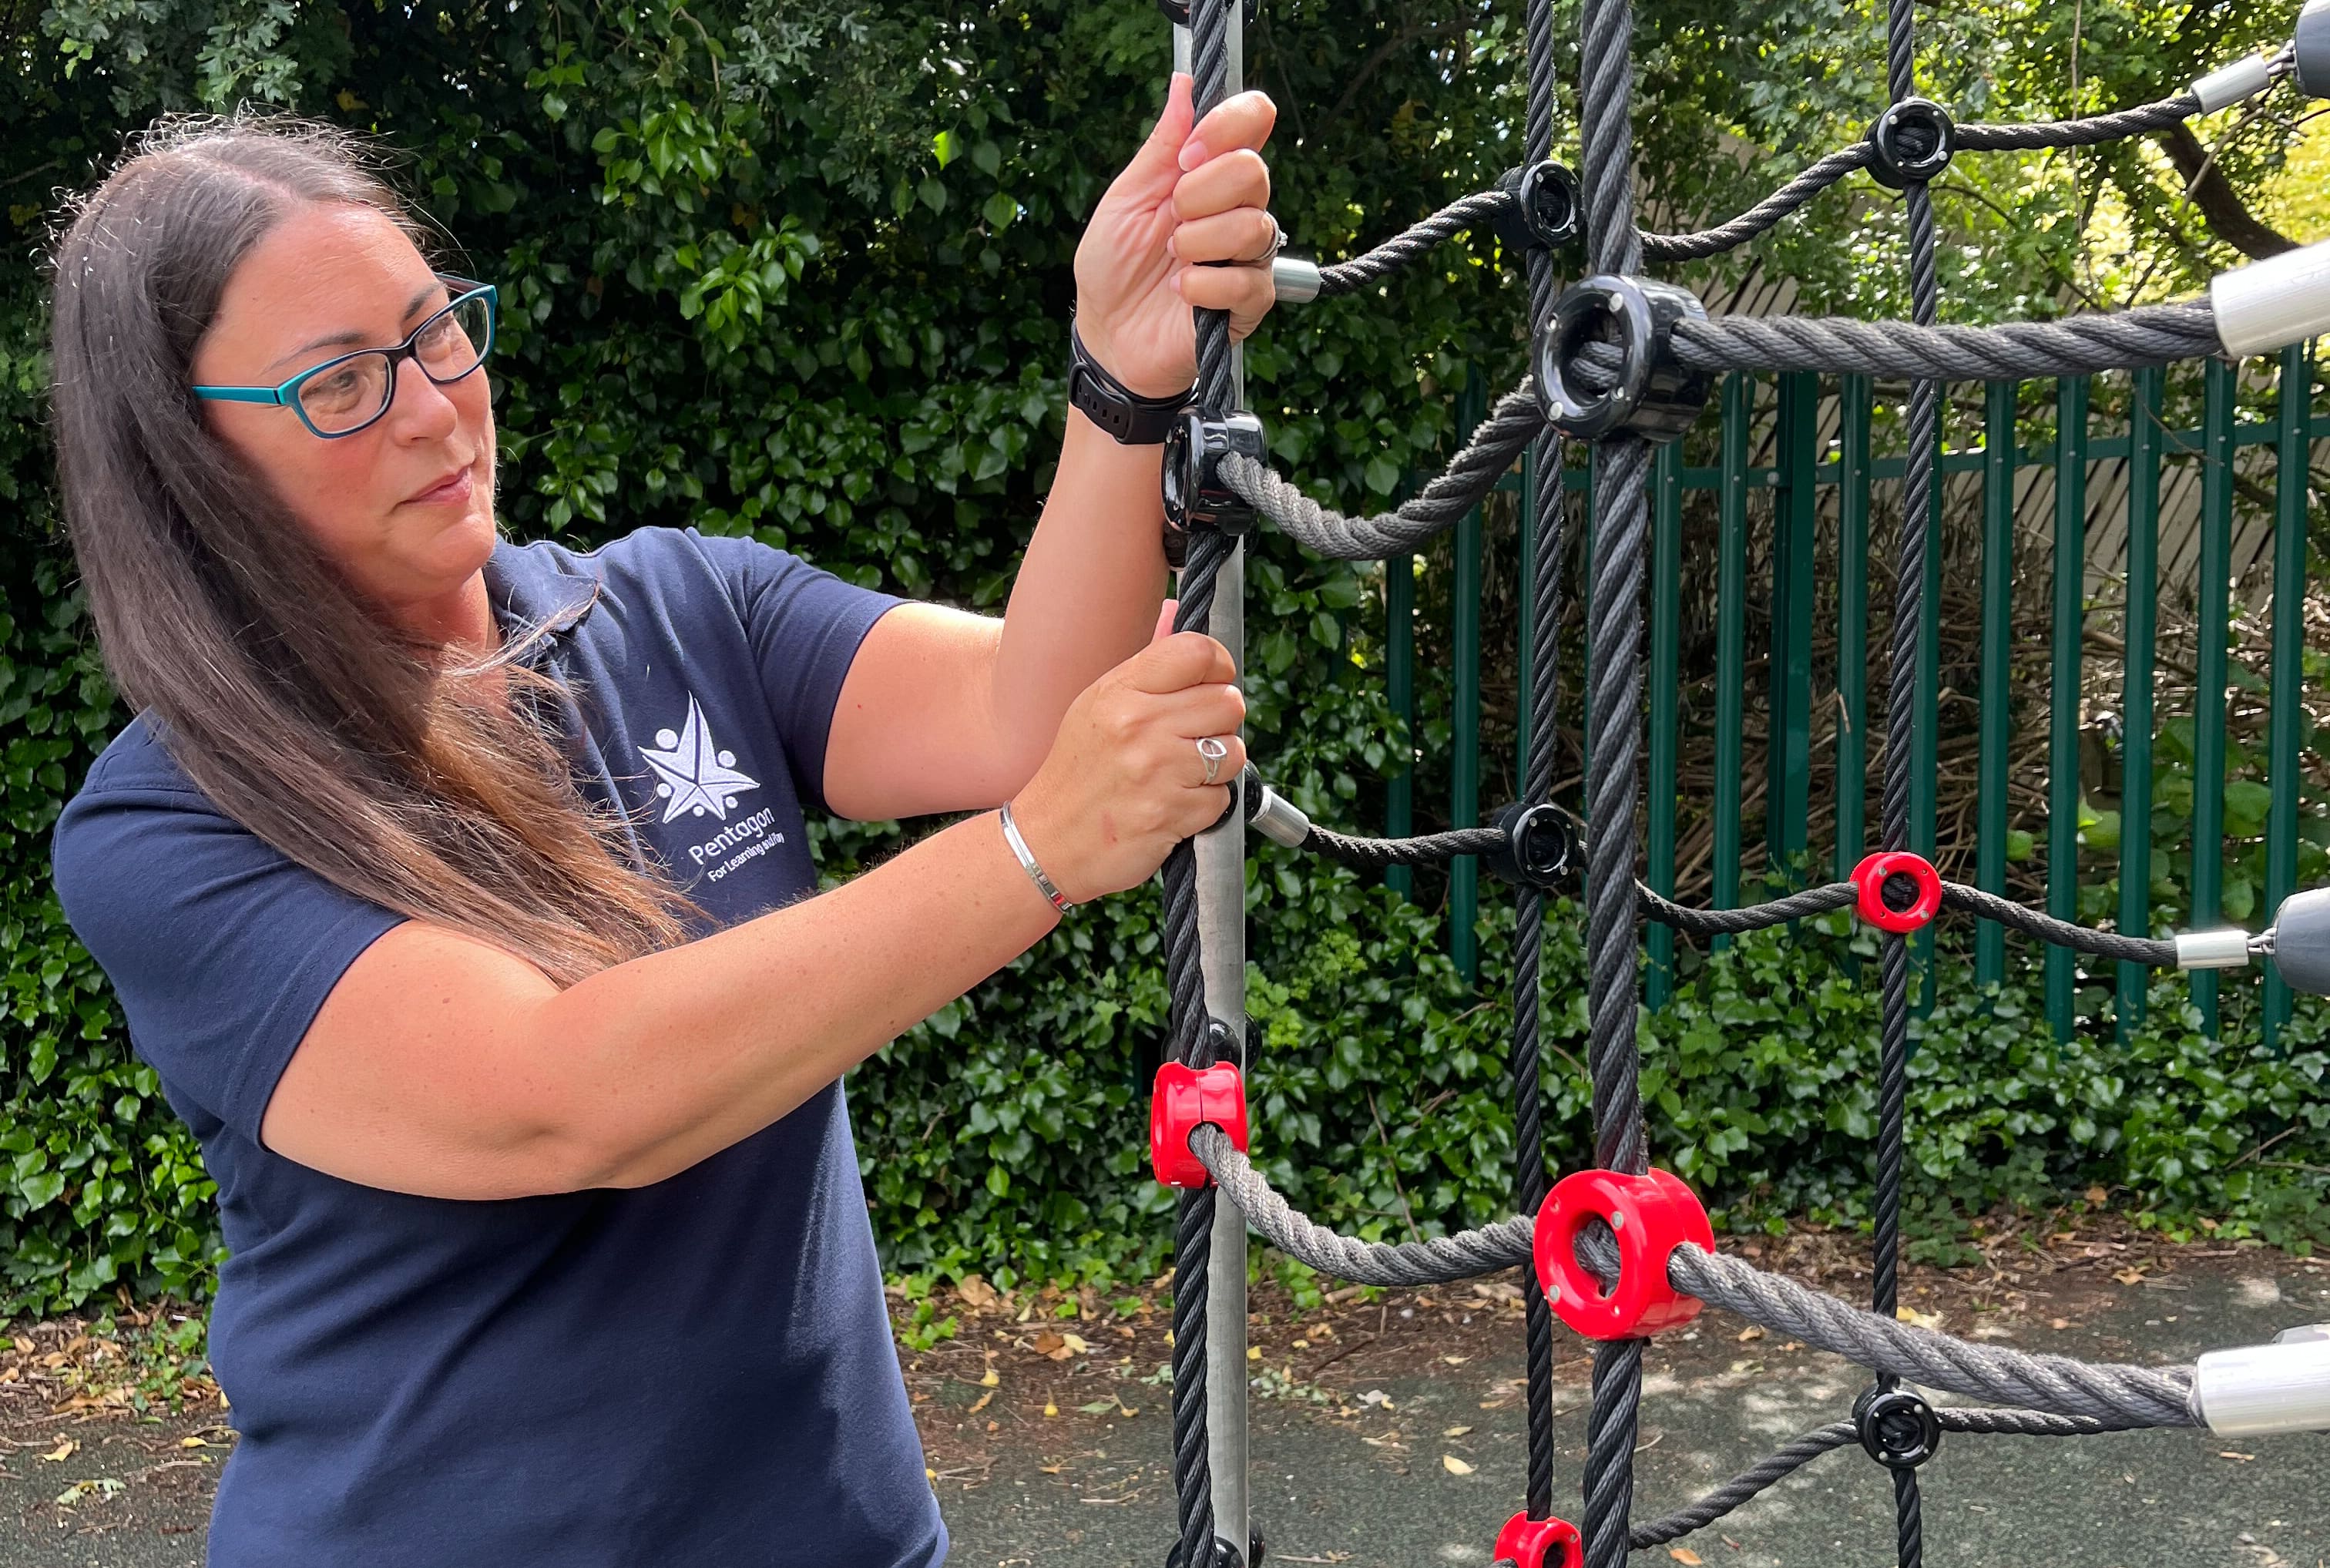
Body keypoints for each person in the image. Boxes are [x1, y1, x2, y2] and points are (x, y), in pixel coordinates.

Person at [45, 76, 1277, 1567]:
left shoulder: (678, 606)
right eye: (338, 383)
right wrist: (1031, 854)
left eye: (437, 331)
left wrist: (1122, 381)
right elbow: (566, 1098)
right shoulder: (171, 828)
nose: (435, 407)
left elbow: (1031, 716)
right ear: (192, 467)